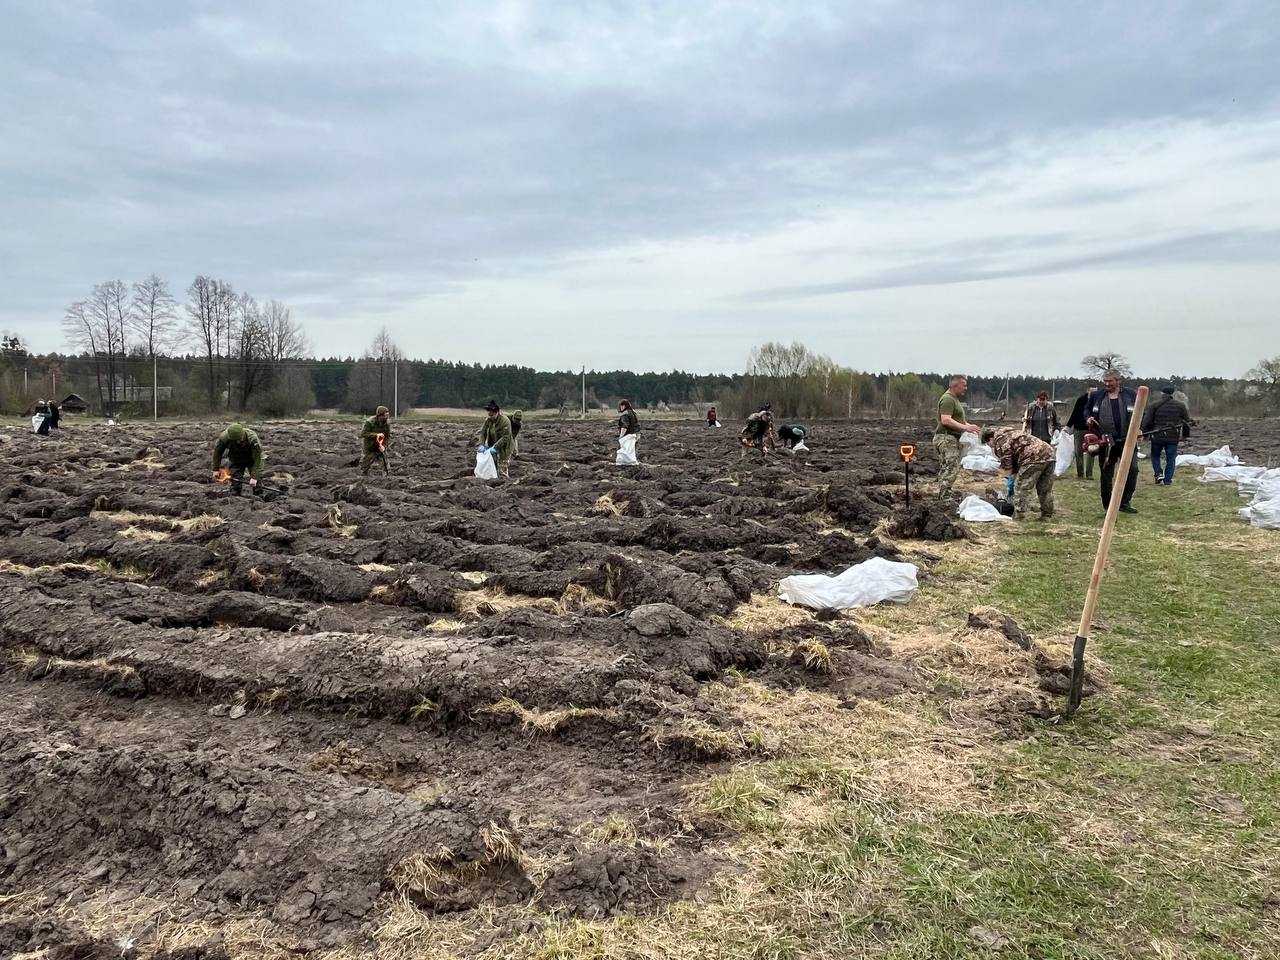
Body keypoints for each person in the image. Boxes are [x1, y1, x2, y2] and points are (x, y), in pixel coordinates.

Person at [1086, 369, 1138, 514]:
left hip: (1127, 439)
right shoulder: (1097, 396)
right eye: (1105, 381)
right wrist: (1088, 418)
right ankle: (1108, 506)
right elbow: (1087, 411)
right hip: (1105, 440)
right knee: (1106, 472)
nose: (1107, 384)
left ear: (1118, 381)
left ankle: (1124, 502)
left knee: (1132, 470)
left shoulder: (1130, 395)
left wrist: (1139, 429)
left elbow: (1140, 412)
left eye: (1110, 381)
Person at [981, 426, 1056, 519]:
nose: (991, 446)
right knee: (1044, 488)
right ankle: (1047, 514)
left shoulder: (1000, 441)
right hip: (1049, 453)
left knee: (1021, 488)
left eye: (989, 444)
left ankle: (1019, 516)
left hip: (1032, 458)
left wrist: (1009, 479)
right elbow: (1016, 455)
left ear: (990, 439)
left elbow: (1007, 464)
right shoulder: (1010, 432)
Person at [934, 375, 982, 497]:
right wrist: (966, 428)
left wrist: (970, 427)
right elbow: (946, 420)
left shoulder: (954, 399)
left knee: (947, 467)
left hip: (951, 438)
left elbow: (958, 420)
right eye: (964, 385)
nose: (965, 388)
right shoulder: (948, 399)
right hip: (946, 438)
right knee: (951, 467)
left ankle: (943, 493)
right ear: (955, 385)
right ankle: (944, 496)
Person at [1142, 384, 1192, 486]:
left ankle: (1158, 473)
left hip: (1156, 436)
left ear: (1162, 393)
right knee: (1171, 458)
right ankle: (1168, 480)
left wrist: (1145, 434)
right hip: (1173, 436)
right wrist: (1185, 435)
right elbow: (1187, 422)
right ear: (1172, 393)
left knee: (1155, 456)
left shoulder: (1154, 405)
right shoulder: (1180, 406)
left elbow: (1146, 422)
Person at [213, 423, 264, 494]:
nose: (237, 442)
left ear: (243, 435)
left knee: (257, 484)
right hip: (235, 458)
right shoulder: (224, 438)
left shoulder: (253, 439)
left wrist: (254, 477)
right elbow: (217, 452)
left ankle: (259, 496)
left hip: (252, 459)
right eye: (234, 440)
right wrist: (215, 469)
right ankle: (235, 494)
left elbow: (258, 459)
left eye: (239, 440)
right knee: (235, 482)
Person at [474, 400, 515, 478]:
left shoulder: (505, 421)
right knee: (493, 466)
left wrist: (495, 447)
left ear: (497, 413)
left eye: (492, 415)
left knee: (502, 469)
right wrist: (482, 444)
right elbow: (483, 433)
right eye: (489, 414)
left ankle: (505, 484)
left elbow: (505, 437)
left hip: (505, 448)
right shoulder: (488, 420)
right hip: (492, 445)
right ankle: (494, 480)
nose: (490, 416)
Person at [1066, 385, 1095, 480]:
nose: (1094, 393)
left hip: (1091, 429)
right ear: (1088, 391)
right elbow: (1074, 413)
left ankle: (1089, 474)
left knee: (1091, 450)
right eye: (1092, 391)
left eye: (1095, 391)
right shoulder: (1081, 400)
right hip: (1079, 429)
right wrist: (1068, 426)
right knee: (1079, 451)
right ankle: (1080, 473)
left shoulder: (1097, 401)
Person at [360, 405, 392, 477]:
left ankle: (387, 477)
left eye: (387, 415)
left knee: (385, 463)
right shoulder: (370, 422)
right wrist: (376, 435)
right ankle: (363, 476)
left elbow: (387, 436)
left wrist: (384, 446)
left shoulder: (387, 423)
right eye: (385, 415)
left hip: (380, 445)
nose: (386, 417)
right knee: (366, 464)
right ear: (379, 415)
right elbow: (363, 434)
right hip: (370, 446)